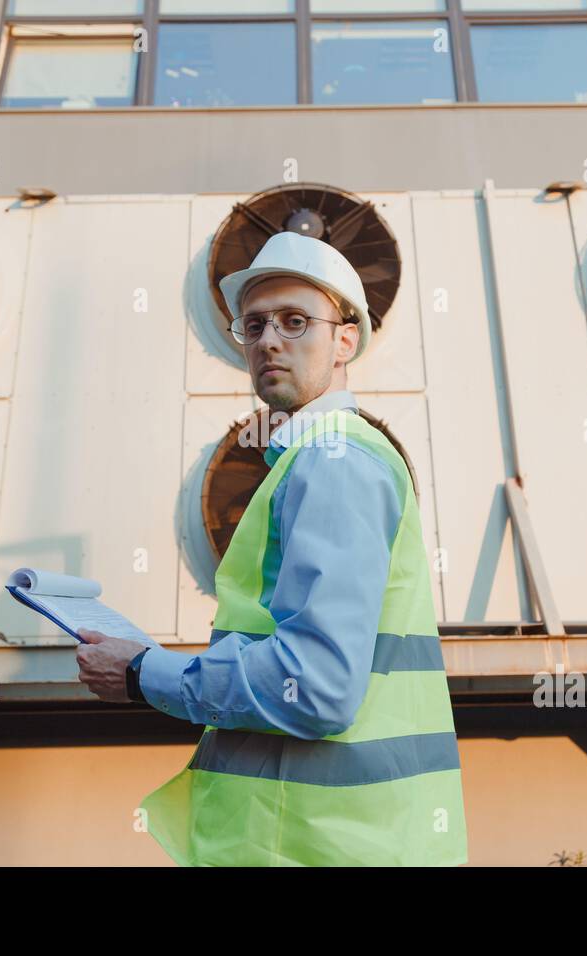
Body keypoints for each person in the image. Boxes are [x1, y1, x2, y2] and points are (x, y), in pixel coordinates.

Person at [76, 231, 467, 866]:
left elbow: (314, 687)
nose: (269, 341)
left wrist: (141, 672)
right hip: (341, 839)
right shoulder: (326, 459)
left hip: (314, 844)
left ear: (345, 339)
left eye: (294, 321)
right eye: (254, 326)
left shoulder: (331, 462)